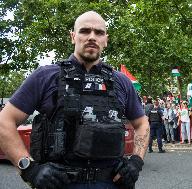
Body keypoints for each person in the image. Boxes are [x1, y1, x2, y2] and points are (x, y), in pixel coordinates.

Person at [0, 11, 149, 189]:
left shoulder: (121, 82)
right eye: (85, 31)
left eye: (99, 33)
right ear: (73, 37)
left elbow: (142, 124)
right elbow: (4, 121)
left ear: (106, 40)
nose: (92, 37)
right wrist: (29, 169)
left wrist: (136, 161)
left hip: (111, 182)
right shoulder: (46, 76)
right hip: (59, 184)